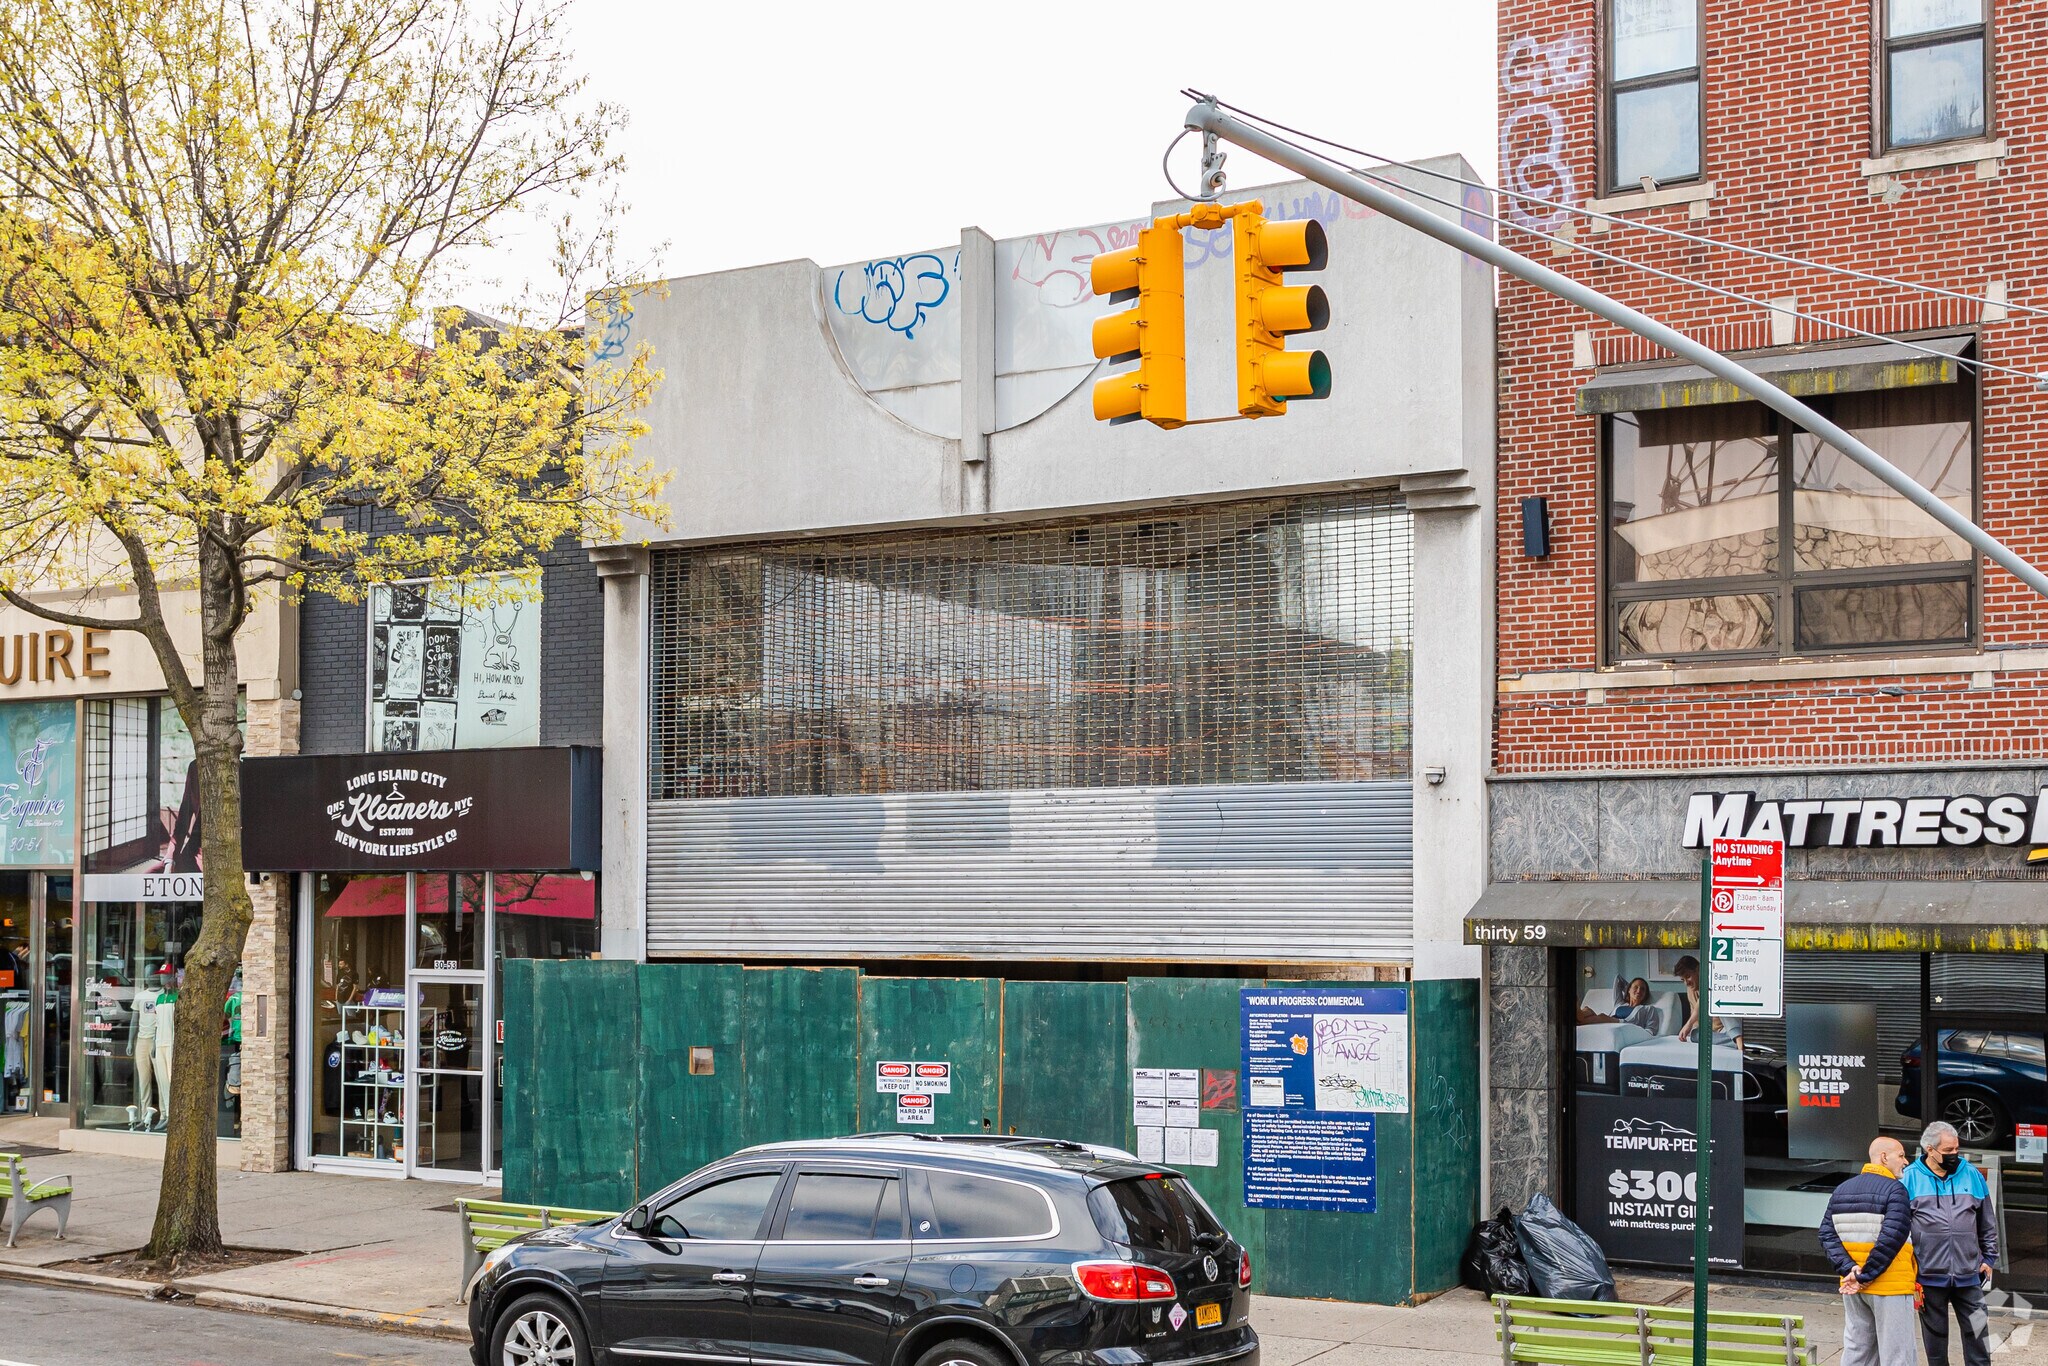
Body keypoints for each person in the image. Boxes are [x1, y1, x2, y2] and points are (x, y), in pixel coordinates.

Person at [1819, 1136, 1918, 1366]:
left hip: (1853, 1286)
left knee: (1858, 1350)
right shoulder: (1896, 1190)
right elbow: (1893, 1237)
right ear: (1884, 1157)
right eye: (1901, 1155)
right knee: (1897, 1355)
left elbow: (1826, 1234)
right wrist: (1865, 1275)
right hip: (1889, 1285)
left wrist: (1850, 1270)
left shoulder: (1842, 1190)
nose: (1906, 1162)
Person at [1904, 1121, 1995, 1366]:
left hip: (1969, 1273)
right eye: (1948, 1151)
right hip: (1929, 1274)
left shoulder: (1972, 1174)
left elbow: (1987, 1221)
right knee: (1935, 1342)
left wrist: (1989, 1259)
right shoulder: (1908, 1178)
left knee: (1978, 1334)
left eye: (1956, 1149)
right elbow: (1901, 1230)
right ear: (1929, 1150)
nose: (1954, 1155)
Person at [1576, 977, 1662, 1033]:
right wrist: (1629, 988)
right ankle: (1577, 1017)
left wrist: (1637, 1034)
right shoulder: (1619, 1003)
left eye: (1643, 989)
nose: (1639, 991)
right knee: (1587, 1010)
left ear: (1645, 994)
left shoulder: (1648, 1009)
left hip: (1623, 1026)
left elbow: (1651, 1031)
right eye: (1636, 987)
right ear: (1628, 989)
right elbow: (1618, 979)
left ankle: (1577, 1018)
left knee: (1602, 1016)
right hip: (1605, 1024)